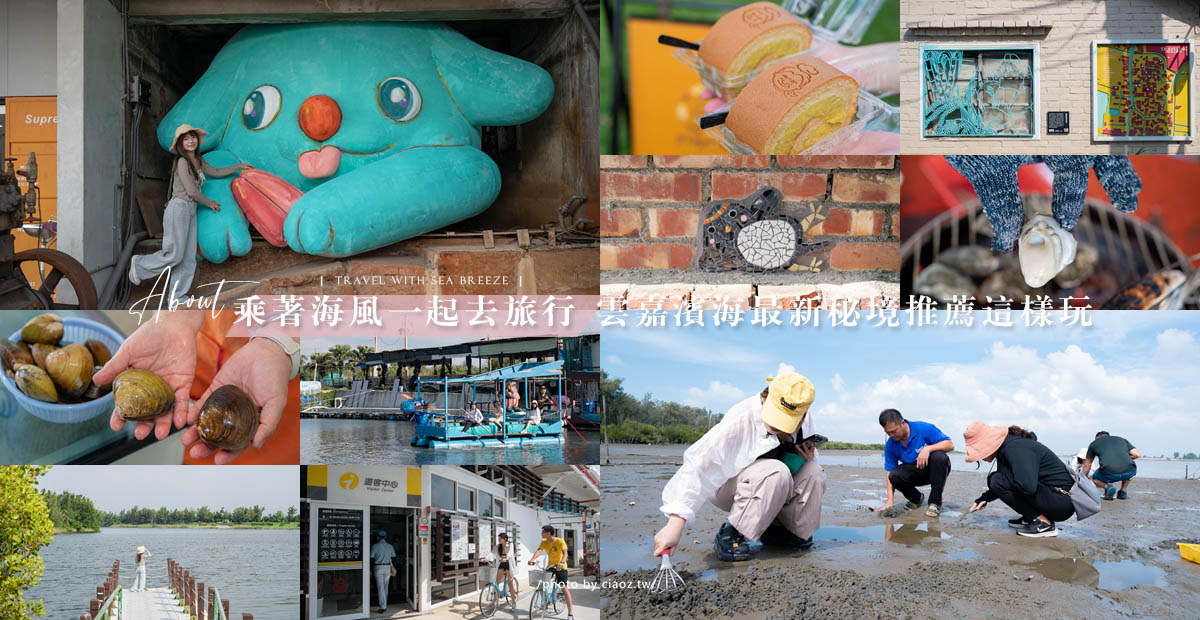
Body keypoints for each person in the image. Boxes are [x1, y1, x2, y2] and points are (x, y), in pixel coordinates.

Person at [654, 371, 826, 563]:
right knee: (776, 471)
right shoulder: (742, 417)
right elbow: (700, 465)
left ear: (802, 415)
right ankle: (733, 531)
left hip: (772, 485)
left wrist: (807, 458)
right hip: (729, 487)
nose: (776, 424)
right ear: (766, 396)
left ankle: (785, 531)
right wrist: (675, 523)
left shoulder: (804, 420)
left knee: (814, 472)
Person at [93, 310, 299, 465]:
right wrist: (175, 317)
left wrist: (279, 346)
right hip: (192, 351)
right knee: (194, 446)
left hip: (276, 381)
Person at [128, 124, 251, 302]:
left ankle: (177, 297)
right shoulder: (182, 162)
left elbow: (216, 172)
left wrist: (239, 166)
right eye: (186, 138)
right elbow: (192, 191)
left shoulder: (198, 160)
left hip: (190, 209)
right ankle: (139, 265)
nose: (190, 141)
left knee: (188, 258)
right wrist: (210, 203)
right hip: (179, 208)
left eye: (192, 137)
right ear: (180, 143)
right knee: (174, 254)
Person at [964, 422, 1075, 538]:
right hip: (1052, 496)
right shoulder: (1007, 448)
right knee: (997, 479)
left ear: (988, 445)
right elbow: (1008, 480)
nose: (981, 458)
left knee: (996, 480)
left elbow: (1027, 486)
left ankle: (1043, 523)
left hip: (1062, 501)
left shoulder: (1016, 448)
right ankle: (1030, 518)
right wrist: (984, 498)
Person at [878, 409, 955, 517]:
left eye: (894, 431)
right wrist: (889, 501)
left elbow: (950, 445)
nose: (892, 435)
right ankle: (916, 498)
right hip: (915, 473)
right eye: (888, 433)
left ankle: (935, 503)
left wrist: (928, 449)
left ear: (903, 423)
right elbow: (889, 471)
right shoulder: (891, 444)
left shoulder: (924, 429)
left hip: (936, 470)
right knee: (894, 475)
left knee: (939, 457)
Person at [529, 525, 574, 620]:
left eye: (543, 532)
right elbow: (539, 551)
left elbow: (565, 553)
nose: (541, 534)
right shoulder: (544, 542)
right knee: (541, 584)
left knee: (564, 588)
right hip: (550, 566)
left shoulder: (560, 541)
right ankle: (545, 602)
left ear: (548, 533)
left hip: (561, 567)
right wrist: (532, 559)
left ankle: (570, 614)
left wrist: (562, 563)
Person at [1082, 431, 1140, 500]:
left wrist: (1083, 479)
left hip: (1109, 472)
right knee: (1128, 465)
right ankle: (1122, 492)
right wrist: (1122, 459)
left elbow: (1087, 465)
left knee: (1095, 478)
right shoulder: (1121, 439)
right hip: (1129, 472)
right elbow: (1137, 455)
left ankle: (1108, 487)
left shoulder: (1094, 444)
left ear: (1097, 438)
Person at [370, 530, 396, 613]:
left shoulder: (374, 546)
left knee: (380, 587)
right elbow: (394, 558)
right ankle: (384, 603)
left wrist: (369, 569)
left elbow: (371, 558)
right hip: (387, 567)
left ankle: (383, 606)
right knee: (385, 586)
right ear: (385, 537)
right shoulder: (390, 546)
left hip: (378, 567)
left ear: (378, 537)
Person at [496, 532, 518, 596]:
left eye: (500, 539)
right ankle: (495, 599)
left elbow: (511, 554)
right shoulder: (499, 546)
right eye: (498, 539)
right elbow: (497, 555)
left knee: (510, 582)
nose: (499, 540)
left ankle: (513, 595)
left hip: (510, 564)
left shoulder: (510, 545)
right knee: (497, 581)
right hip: (503, 563)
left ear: (505, 539)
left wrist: (507, 558)